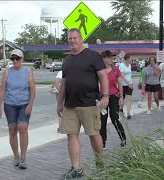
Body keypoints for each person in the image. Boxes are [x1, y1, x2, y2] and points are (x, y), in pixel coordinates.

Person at [57, 28, 109, 179]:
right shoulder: (66, 61)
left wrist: (105, 95)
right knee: (71, 135)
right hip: (70, 105)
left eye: (75, 38)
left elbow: (103, 77)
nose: (72, 41)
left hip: (89, 103)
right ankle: (76, 168)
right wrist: (59, 103)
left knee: (93, 134)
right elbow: (64, 84)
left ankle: (100, 162)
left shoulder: (93, 56)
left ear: (81, 39)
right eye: (70, 39)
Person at [0, 49, 36, 169]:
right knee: (12, 130)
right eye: (12, 58)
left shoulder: (28, 71)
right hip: (10, 104)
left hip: (24, 103)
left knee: (23, 128)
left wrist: (30, 105)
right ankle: (16, 156)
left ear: (22, 59)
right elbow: (2, 90)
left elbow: (32, 90)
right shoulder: (7, 72)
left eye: (17, 58)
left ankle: (23, 157)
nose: (15, 61)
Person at [99, 50, 126, 149]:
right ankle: (102, 143)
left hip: (114, 96)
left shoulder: (116, 70)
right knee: (102, 121)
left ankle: (123, 138)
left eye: (112, 57)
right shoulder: (99, 70)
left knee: (115, 118)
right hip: (102, 97)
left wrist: (121, 97)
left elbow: (120, 84)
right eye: (109, 57)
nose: (112, 59)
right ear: (104, 59)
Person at [119, 53, 133, 119]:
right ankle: (121, 111)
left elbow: (129, 75)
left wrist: (130, 83)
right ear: (127, 58)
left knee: (129, 97)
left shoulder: (129, 65)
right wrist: (128, 84)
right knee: (122, 98)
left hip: (130, 83)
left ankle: (128, 113)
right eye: (131, 58)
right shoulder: (121, 65)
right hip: (123, 84)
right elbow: (122, 75)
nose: (132, 59)